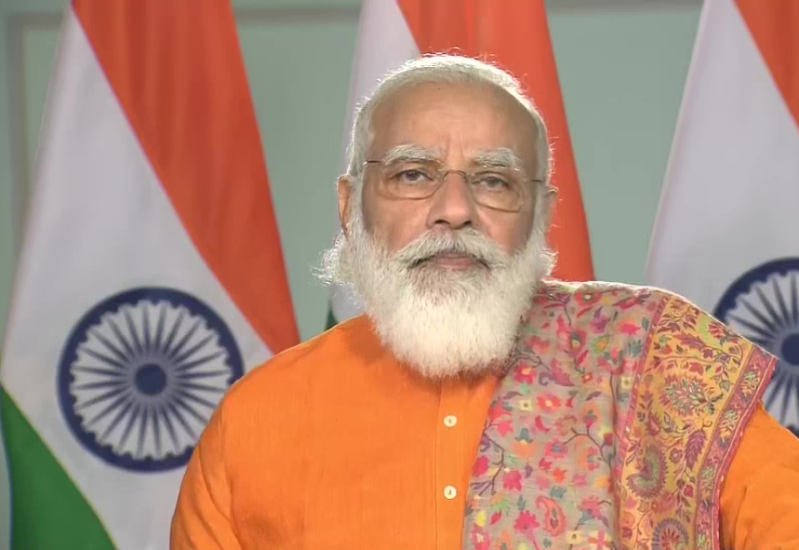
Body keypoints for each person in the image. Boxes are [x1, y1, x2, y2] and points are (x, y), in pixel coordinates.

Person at [170, 55, 799, 550]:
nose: (454, 210)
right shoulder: (256, 422)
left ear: (540, 215)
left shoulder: (647, 356)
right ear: (349, 205)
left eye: (494, 181)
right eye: (413, 174)